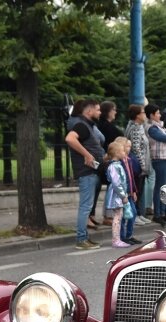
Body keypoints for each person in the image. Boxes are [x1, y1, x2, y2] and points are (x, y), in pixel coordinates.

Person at [65, 99, 104, 249]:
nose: (100, 113)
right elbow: (69, 139)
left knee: (87, 206)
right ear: (89, 111)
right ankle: (81, 239)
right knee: (85, 206)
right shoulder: (81, 125)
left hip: (91, 171)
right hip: (86, 171)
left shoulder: (87, 126)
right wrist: (87, 155)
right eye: (98, 110)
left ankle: (85, 238)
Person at [145, 103, 166, 224]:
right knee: (160, 187)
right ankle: (157, 213)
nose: (160, 115)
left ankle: (164, 211)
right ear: (151, 115)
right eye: (158, 113)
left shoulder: (161, 127)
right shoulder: (151, 128)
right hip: (160, 159)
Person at [124, 104, 152, 225]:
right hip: (137, 165)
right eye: (143, 113)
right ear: (137, 115)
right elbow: (136, 149)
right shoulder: (135, 128)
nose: (145, 115)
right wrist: (143, 165)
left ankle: (138, 213)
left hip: (141, 163)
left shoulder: (139, 126)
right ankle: (134, 215)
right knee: (136, 190)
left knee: (139, 191)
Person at [103, 141, 131, 248]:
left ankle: (117, 238)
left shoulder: (116, 165)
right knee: (117, 217)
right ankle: (116, 239)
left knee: (119, 216)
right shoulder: (114, 167)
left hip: (118, 194)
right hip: (117, 195)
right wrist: (123, 196)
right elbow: (116, 183)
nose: (125, 153)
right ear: (117, 153)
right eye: (123, 151)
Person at [115, 137, 142, 245]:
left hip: (130, 193)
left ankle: (129, 235)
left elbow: (131, 178)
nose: (129, 148)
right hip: (123, 194)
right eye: (127, 146)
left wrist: (134, 191)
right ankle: (122, 236)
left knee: (133, 213)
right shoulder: (119, 163)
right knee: (122, 216)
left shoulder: (128, 160)